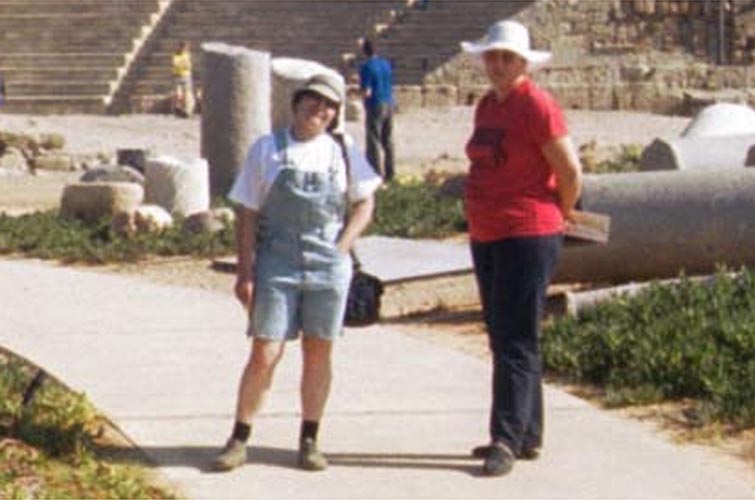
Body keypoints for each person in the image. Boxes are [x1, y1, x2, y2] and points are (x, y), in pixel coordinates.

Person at [212, 73, 382, 472]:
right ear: (296, 103)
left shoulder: (342, 151)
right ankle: (239, 437)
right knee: (265, 350)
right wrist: (245, 273)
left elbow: (365, 203)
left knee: (318, 351)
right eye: (312, 100)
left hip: (328, 265)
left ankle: (310, 438)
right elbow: (247, 214)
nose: (319, 110)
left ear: (336, 113)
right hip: (278, 261)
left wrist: (342, 248)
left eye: (329, 105)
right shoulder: (267, 149)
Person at [459, 20, 582, 477]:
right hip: (488, 230)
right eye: (492, 56)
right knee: (505, 333)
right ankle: (527, 432)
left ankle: (505, 438)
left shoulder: (537, 105)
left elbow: (569, 170)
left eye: (506, 57)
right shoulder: (488, 105)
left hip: (527, 231)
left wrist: (561, 213)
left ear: (523, 63)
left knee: (515, 337)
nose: (497, 64)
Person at [359, 38, 395, 181]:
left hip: (375, 104)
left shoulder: (366, 67)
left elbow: (367, 91)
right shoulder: (386, 64)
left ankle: (375, 173)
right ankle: (390, 172)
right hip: (389, 102)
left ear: (364, 51)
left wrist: (356, 95)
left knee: (374, 139)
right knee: (388, 139)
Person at [171, 40, 193, 117]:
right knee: (178, 94)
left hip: (186, 76)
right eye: (182, 47)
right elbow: (176, 64)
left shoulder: (187, 55)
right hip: (177, 76)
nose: (184, 49)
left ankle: (186, 111)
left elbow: (188, 66)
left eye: (185, 47)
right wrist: (184, 65)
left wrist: (183, 65)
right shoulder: (175, 55)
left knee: (186, 94)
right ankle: (178, 108)